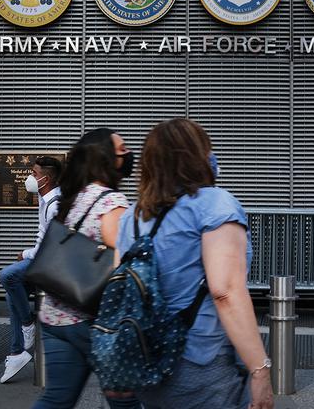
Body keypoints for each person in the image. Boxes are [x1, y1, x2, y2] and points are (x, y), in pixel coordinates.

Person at [117, 119, 273, 409]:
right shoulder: (214, 204)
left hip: (145, 361)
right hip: (200, 363)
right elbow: (225, 292)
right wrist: (260, 370)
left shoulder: (131, 217)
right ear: (197, 156)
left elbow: (118, 288)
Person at [33, 128, 140, 409]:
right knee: (125, 401)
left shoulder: (74, 196)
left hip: (55, 316)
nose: (128, 155)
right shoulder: (111, 201)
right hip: (92, 322)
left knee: (56, 400)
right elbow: (122, 261)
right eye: (123, 149)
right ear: (106, 158)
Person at [0, 155, 63, 384]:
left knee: (8, 275)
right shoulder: (45, 199)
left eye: (34, 174)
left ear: (45, 179)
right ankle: (17, 352)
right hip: (44, 260)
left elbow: (49, 247)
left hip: (52, 266)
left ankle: (28, 323)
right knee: (12, 291)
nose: (30, 177)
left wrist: (24, 254)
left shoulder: (55, 205)